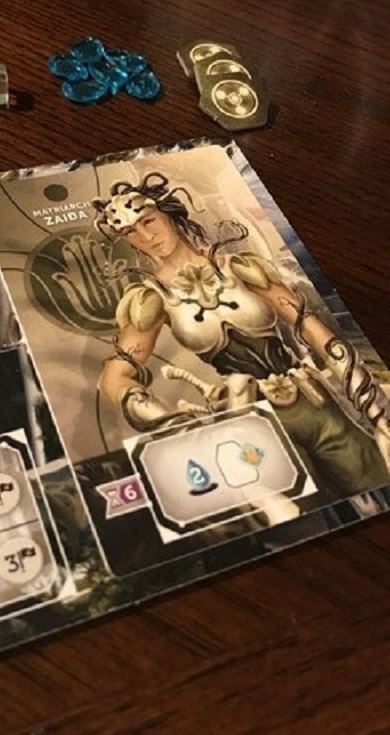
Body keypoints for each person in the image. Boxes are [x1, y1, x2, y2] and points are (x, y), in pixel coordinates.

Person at [93, 172, 389, 509]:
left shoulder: (238, 266)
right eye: (131, 231)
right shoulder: (150, 298)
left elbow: (311, 327)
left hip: (315, 403)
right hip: (249, 424)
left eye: (149, 221)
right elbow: (113, 378)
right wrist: (177, 426)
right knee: (308, 518)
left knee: (377, 493)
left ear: (168, 214)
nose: (146, 236)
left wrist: (379, 415)